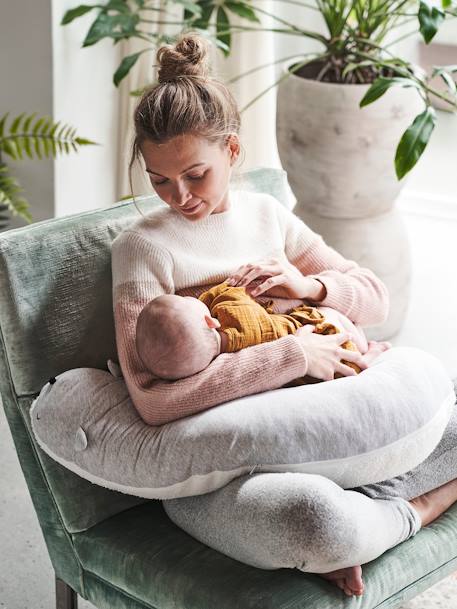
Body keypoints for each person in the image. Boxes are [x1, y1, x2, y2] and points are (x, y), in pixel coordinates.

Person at [111, 32, 457, 597]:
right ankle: (412, 505)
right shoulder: (143, 249)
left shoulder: (267, 217)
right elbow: (152, 397)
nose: (179, 196)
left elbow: (375, 296)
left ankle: (368, 516)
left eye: (195, 174)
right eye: (158, 180)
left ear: (232, 150)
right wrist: (294, 354)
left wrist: (312, 286)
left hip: (330, 426)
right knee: (312, 520)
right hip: (228, 473)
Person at [135, 281, 390, 381]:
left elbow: (377, 300)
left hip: (302, 379)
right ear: (210, 321)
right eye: (185, 300)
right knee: (336, 323)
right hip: (322, 333)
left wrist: (308, 284)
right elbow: (233, 289)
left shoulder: (224, 361)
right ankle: (368, 355)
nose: (191, 297)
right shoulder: (229, 311)